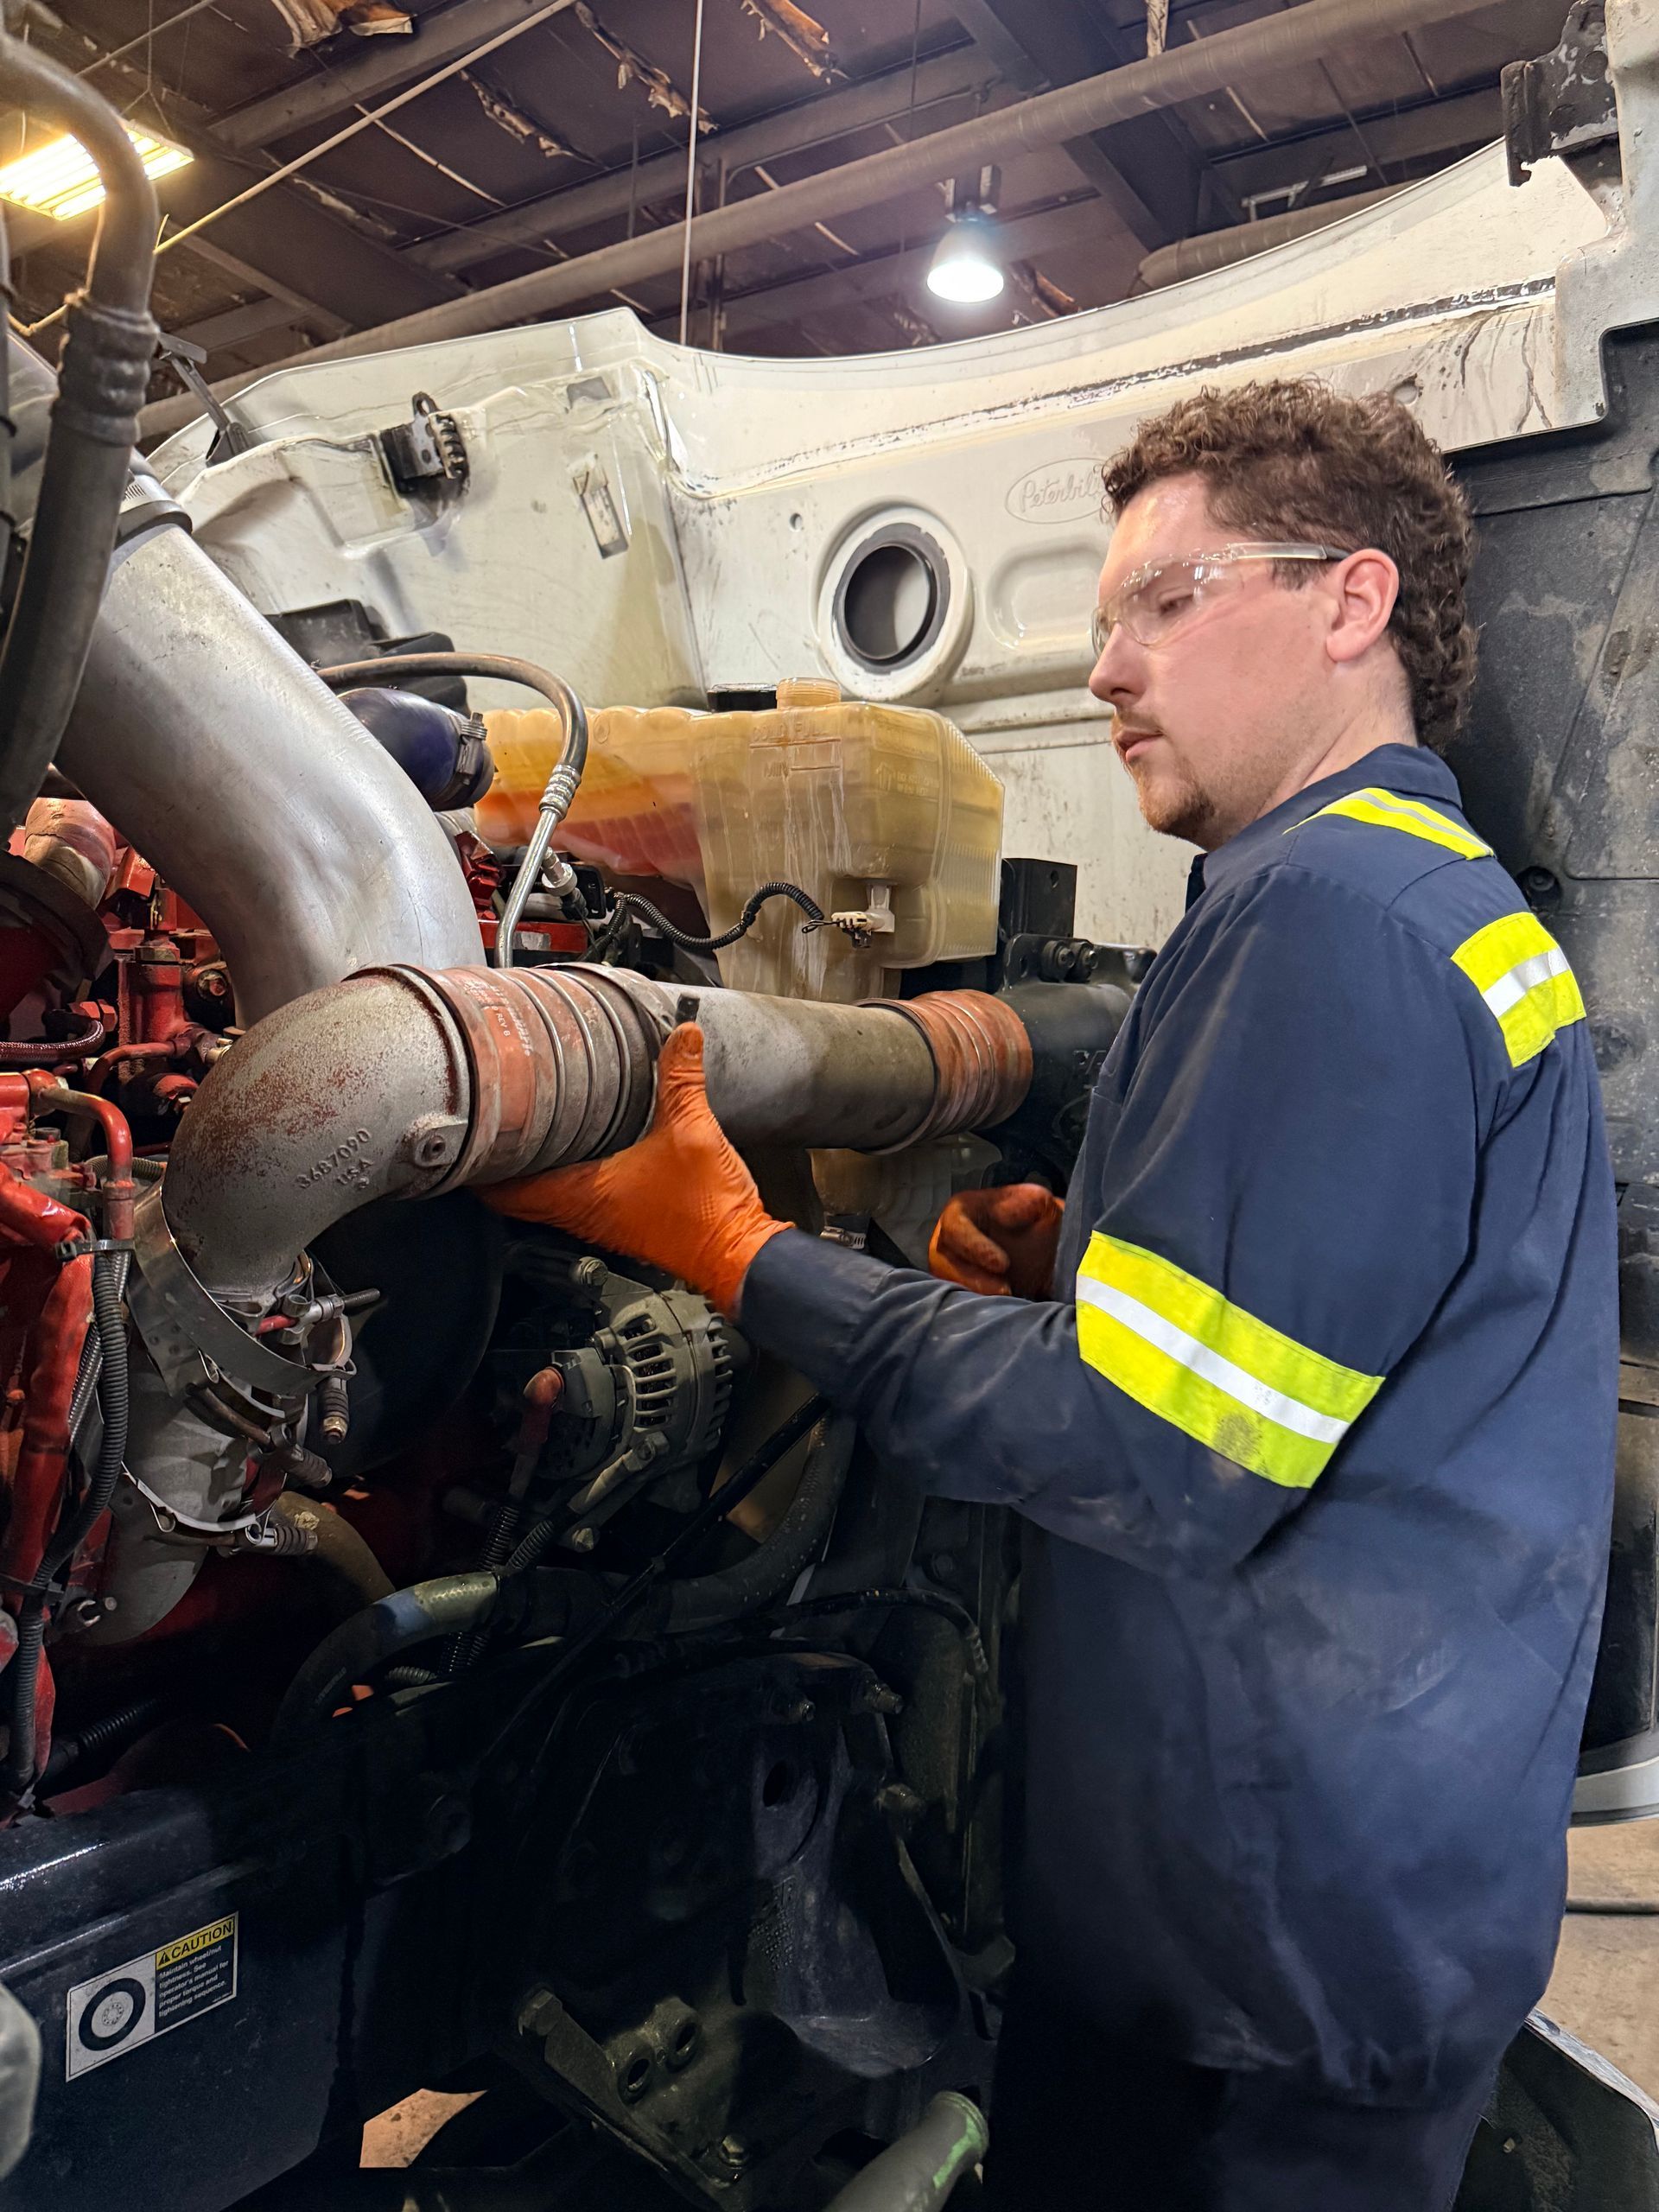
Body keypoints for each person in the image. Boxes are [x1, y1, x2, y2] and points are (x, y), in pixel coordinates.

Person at [486, 380, 1618, 2210]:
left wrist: (746, 1258)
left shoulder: (1321, 921)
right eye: (1103, 616)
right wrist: (1083, 1260)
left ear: (1350, 600)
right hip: (1381, 1873)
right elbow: (1355, 1317)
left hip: (1248, 1958)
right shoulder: (1438, 900)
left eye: (1163, 604)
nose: (1104, 666)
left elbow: (1156, 1455)